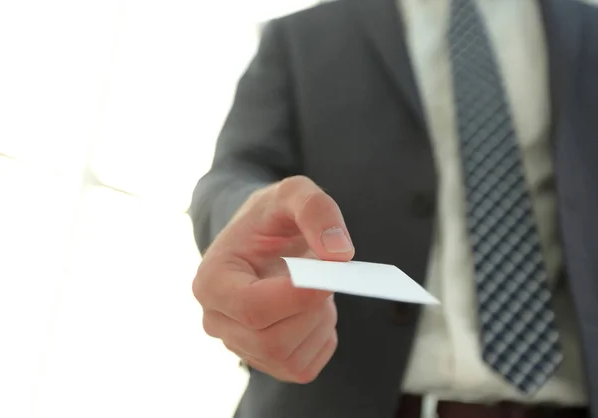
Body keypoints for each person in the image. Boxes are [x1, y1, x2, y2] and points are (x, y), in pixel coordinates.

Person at [189, 0, 598, 417]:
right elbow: (234, 174)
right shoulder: (301, 37)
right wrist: (243, 218)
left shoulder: (588, 30)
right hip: (337, 398)